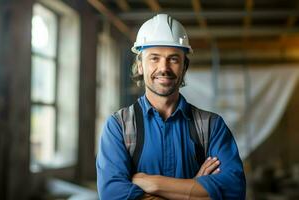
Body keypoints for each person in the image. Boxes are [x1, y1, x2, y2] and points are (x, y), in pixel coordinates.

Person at [97, 14, 246, 200]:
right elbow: (113, 194)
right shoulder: (118, 126)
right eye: (154, 58)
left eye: (173, 59)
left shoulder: (212, 126)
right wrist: (193, 189)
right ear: (140, 66)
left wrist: (153, 183)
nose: (164, 67)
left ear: (184, 66)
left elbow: (233, 191)